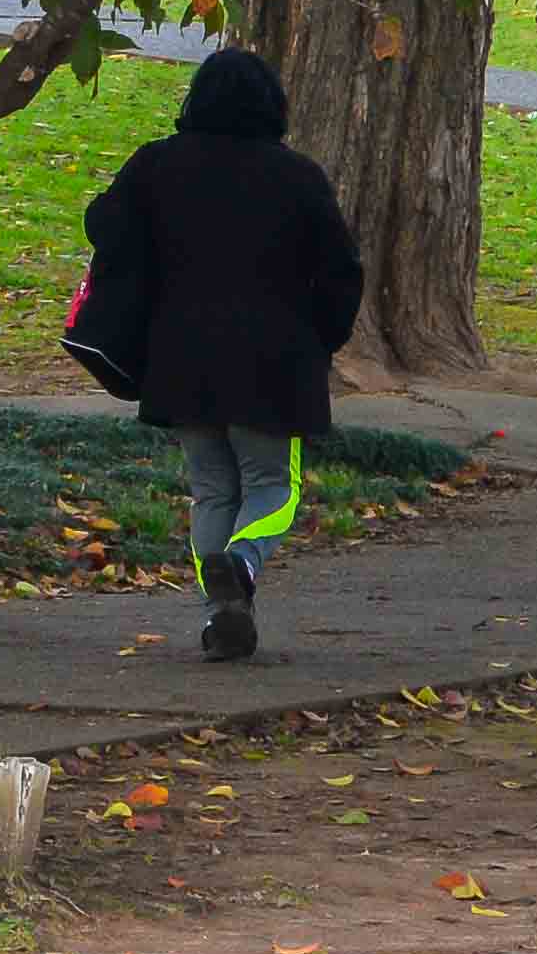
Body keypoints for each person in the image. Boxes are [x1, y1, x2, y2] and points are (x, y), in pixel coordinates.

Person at [72, 46, 365, 661]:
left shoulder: (157, 166)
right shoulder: (297, 176)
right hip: (272, 361)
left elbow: (103, 224)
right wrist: (322, 339)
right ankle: (244, 562)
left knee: (211, 491)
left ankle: (221, 615)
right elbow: (341, 270)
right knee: (272, 488)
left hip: (180, 357)